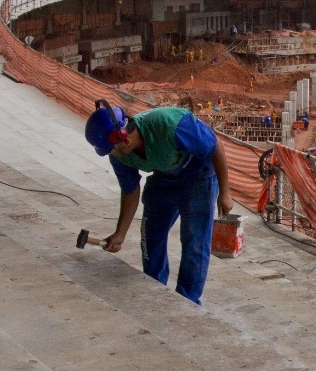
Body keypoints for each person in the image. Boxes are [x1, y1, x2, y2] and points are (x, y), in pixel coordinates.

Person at [85, 101, 234, 305]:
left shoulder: (170, 124)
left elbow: (215, 146)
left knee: (194, 241)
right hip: (163, 177)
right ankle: (154, 287)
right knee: (151, 236)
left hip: (199, 177)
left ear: (124, 140)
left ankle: (187, 300)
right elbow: (130, 191)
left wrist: (224, 192)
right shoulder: (119, 156)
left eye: (111, 151)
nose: (111, 156)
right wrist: (120, 233)